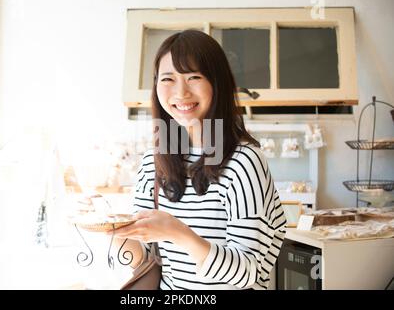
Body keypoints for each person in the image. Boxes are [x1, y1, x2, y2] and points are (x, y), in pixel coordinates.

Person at [111, 29, 286, 290]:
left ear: (218, 83)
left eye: (194, 77)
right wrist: (114, 230)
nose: (180, 93)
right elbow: (145, 259)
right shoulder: (152, 163)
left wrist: (178, 232)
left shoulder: (244, 162)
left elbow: (249, 272)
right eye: (168, 79)